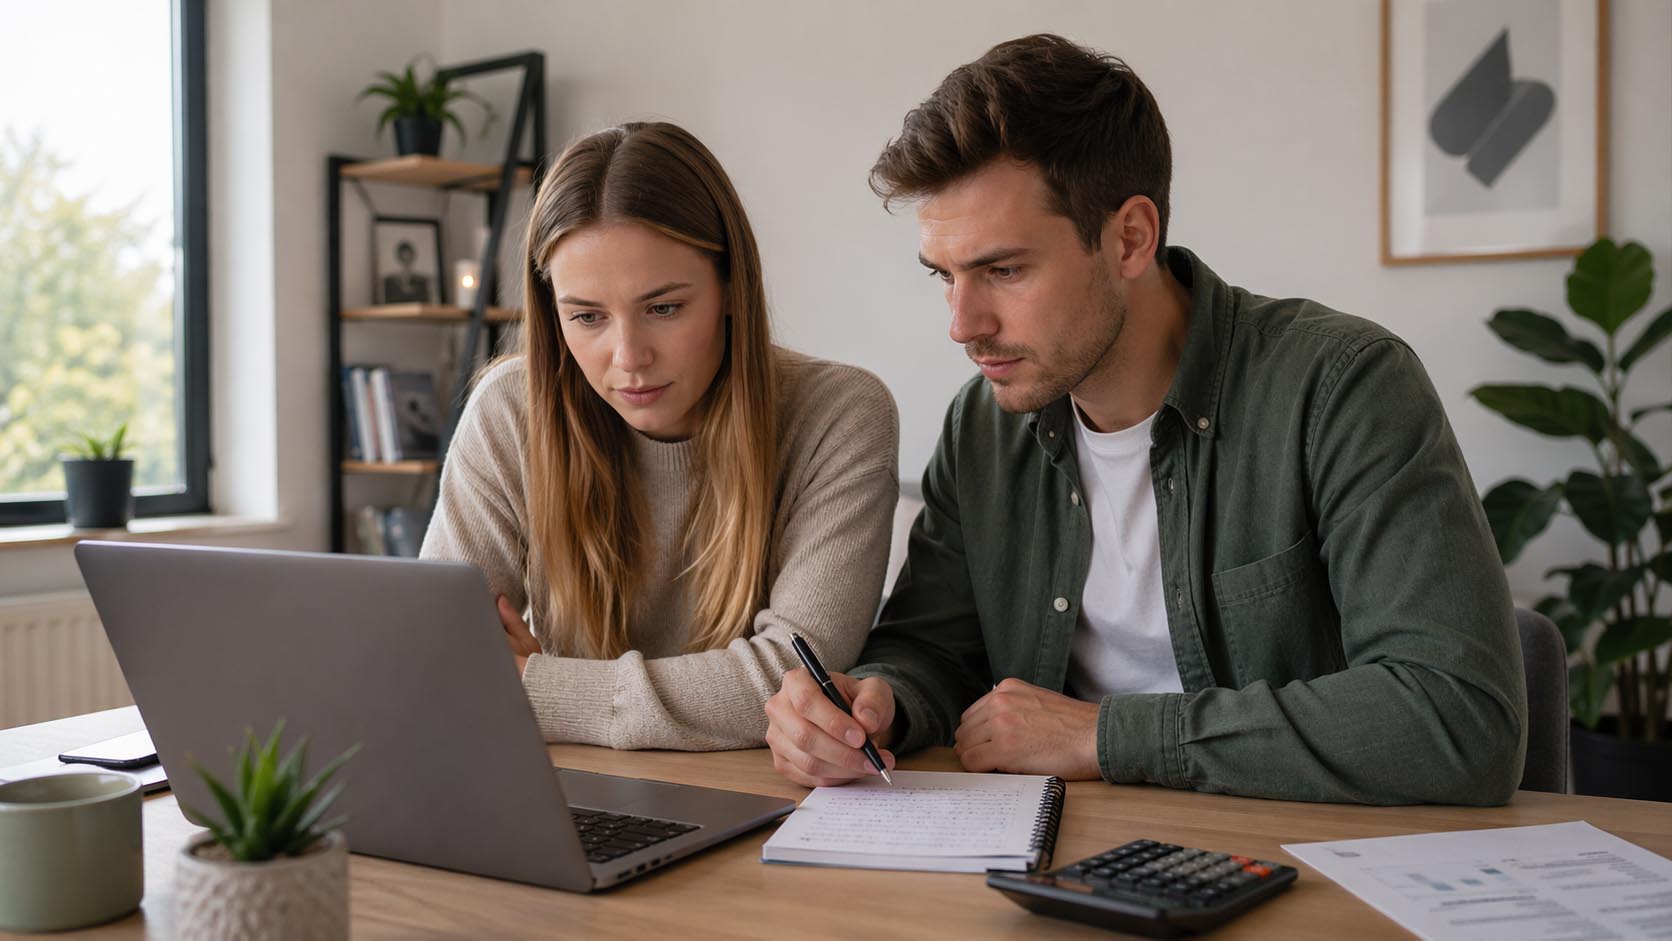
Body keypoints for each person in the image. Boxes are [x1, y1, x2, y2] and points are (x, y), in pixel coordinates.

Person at [765, 34, 1526, 804]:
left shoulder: (1343, 388)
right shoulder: (984, 426)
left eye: (1003, 270)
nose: (963, 324)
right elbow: (933, 648)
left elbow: (1459, 716)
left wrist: (1102, 733)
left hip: (1296, 865)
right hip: (1060, 858)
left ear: (1130, 237)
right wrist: (877, 703)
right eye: (945, 275)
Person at [422, 122, 899, 750]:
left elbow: (793, 680)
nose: (628, 357)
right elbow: (440, 658)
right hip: (568, 788)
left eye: (664, 308)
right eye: (587, 316)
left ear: (731, 287)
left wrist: (533, 687)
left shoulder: (840, 413)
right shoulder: (512, 409)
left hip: (757, 801)